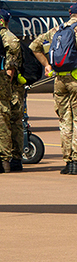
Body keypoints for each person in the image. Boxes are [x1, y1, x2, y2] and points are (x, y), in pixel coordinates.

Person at [29, 2, 77, 174]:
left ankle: (67, 162)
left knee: (65, 122)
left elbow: (34, 46)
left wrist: (47, 65)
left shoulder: (56, 30)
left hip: (59, 81)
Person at [0, 10, 22, 173]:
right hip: (9, 86)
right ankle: (12, 159)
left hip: (9, 87)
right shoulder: (10, 37)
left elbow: (10, 67)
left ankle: (8, 160)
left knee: (7, 119)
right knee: (11, 121)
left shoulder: (7, 38)